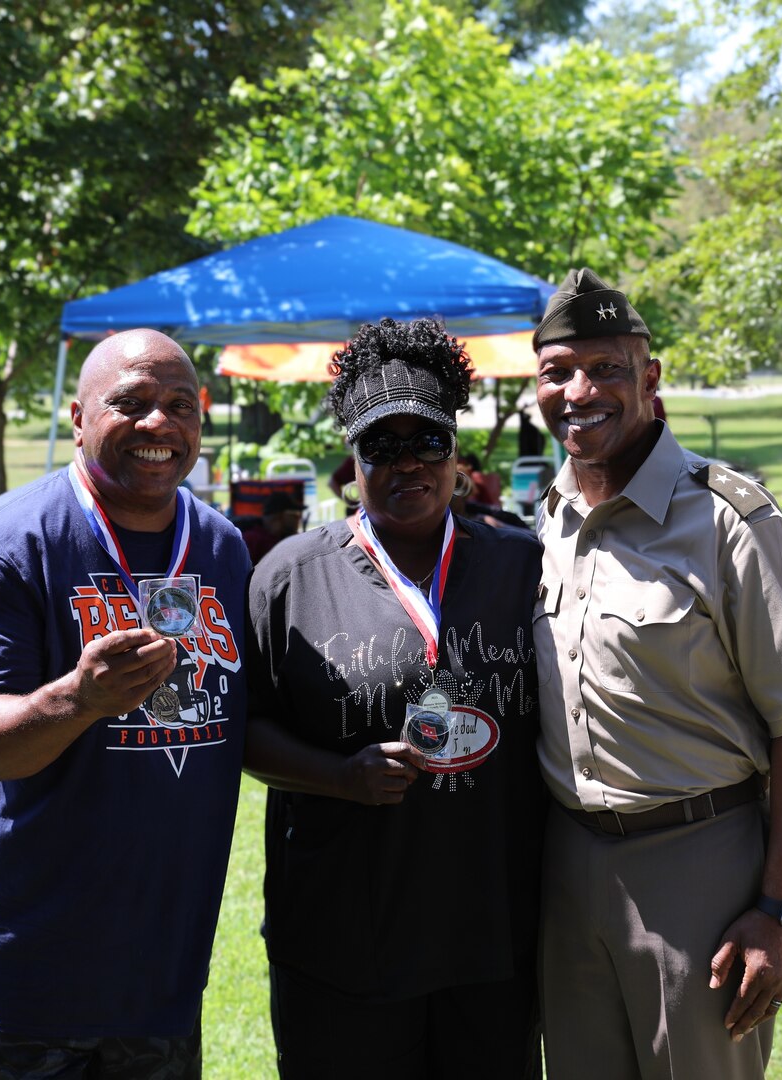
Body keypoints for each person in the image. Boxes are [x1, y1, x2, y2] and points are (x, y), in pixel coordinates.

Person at [0, 329, 250, 1079]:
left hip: (155, 980)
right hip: (14, 979)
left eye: (179, 406)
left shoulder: (222, 548)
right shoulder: (8, 544)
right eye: (130, 402)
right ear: (79, 416)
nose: (158, 424)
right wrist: (78, 699)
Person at [529, 270, 782, 1080]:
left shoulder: (730, 521)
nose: (579, 391)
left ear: (650, 378)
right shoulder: (546, 519)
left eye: (605, 368)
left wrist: (781, 913)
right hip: (568, 868)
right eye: (557, 372)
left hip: (699, 869)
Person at [244, 316, 545, 1080]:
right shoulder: (289, 578)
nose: (406, 463)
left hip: (491, 940)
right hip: (345, 942)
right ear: (351, 462)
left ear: (457, 452)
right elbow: (243, 731)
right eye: (380, 445)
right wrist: (337, 774)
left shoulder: (521, 564)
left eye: (428, 442)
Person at [242, 491, 306, 563]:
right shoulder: (252, 541)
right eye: (295, 514)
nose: (299, 518)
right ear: (278, 517)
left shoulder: (281, 539)